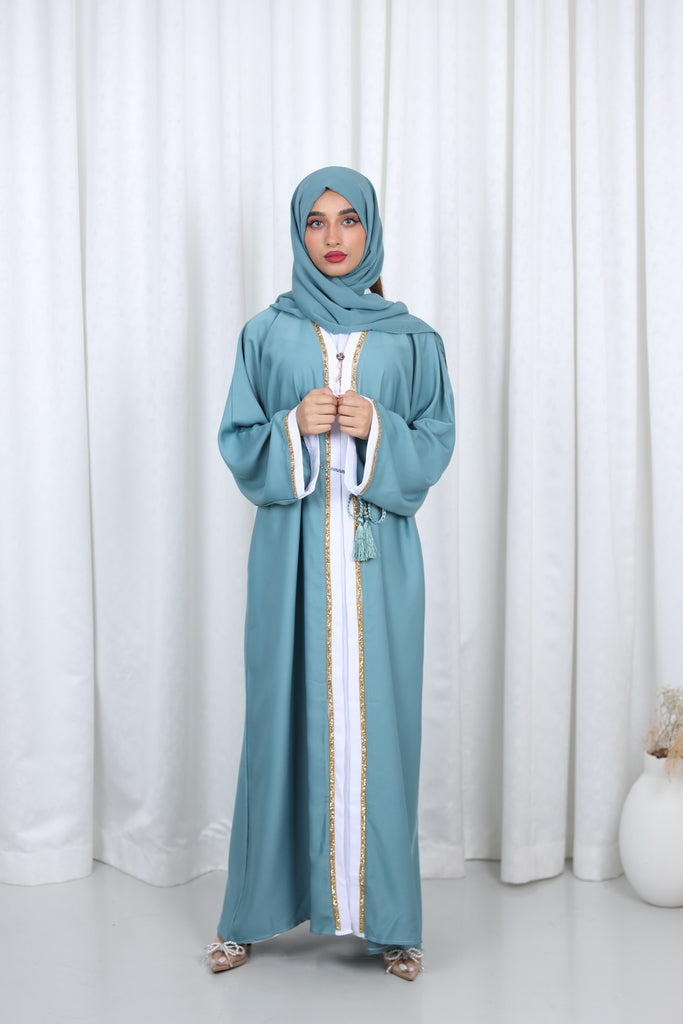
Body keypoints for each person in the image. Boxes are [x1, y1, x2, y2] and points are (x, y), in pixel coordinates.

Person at [205, 166, 455, 981]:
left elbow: (435, 442)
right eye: (316, 222)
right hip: (289, 558)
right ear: (298, 233)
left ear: (371, 229)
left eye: (349, 219)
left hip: (379, 562)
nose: (334, 236)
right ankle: (249, 914)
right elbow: (239, 439)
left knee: (382, 727)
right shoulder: (266, 334)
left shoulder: (413, 339)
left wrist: (377, 427)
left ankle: (392, 923)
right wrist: (292, 426)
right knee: (276, 723)